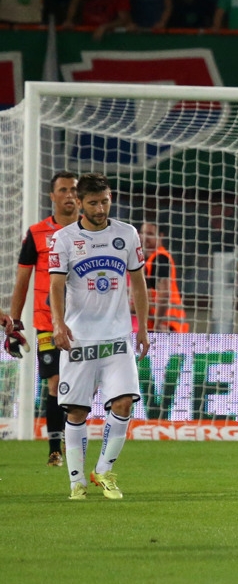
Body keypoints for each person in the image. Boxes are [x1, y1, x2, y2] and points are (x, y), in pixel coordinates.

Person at [48, 173, 151, 501]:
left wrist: (144, 328)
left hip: (118, 337)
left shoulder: (127, 234)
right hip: (79, 339)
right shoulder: (64, 238)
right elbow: (56, 285)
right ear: (78, 203)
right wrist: (58, 324)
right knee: (77, 411)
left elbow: (138, 283)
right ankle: (76, 481)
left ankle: (104, 471)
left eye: (104, 200)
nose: (101, 207)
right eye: (93, 202)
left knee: (123, 404)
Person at [6, 171, 78, 466]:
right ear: (52, 196)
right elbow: (23, 279)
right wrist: (13, 322)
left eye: (73, 189)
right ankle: (55, 450)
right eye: (63, 190)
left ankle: (75, 443)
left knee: (80, 387)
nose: (69, 195)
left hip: (84, 322)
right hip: (47, 322)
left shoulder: (90, 233)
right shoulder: (36, 234)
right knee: (55, 382)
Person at [140, 223, 189, 333]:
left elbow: (164, 292)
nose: (145, 237)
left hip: (167, 327)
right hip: (164, 325)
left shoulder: (160, 258)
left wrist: (158, 324)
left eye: (150, 234)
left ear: (160, 236)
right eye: (142, 233)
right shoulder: (149, 260)